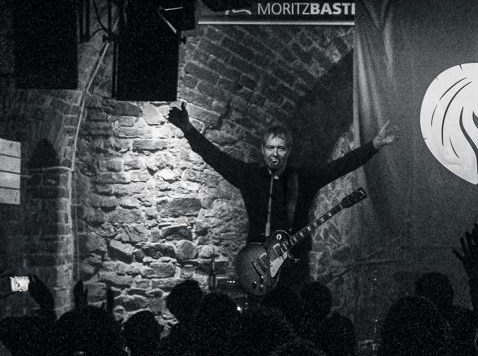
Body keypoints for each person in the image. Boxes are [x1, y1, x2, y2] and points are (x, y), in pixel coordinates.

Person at [167, 103, 399, 290]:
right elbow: (216, 158)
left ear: (288, 151)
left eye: (280, 148)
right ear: (263, 150)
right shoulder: (250, 176)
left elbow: (340, 166)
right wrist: (188, 129)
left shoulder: (303, 178)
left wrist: (375, 144)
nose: (275, 154)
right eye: (270, 148)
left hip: (293, 266)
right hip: (256, 264)